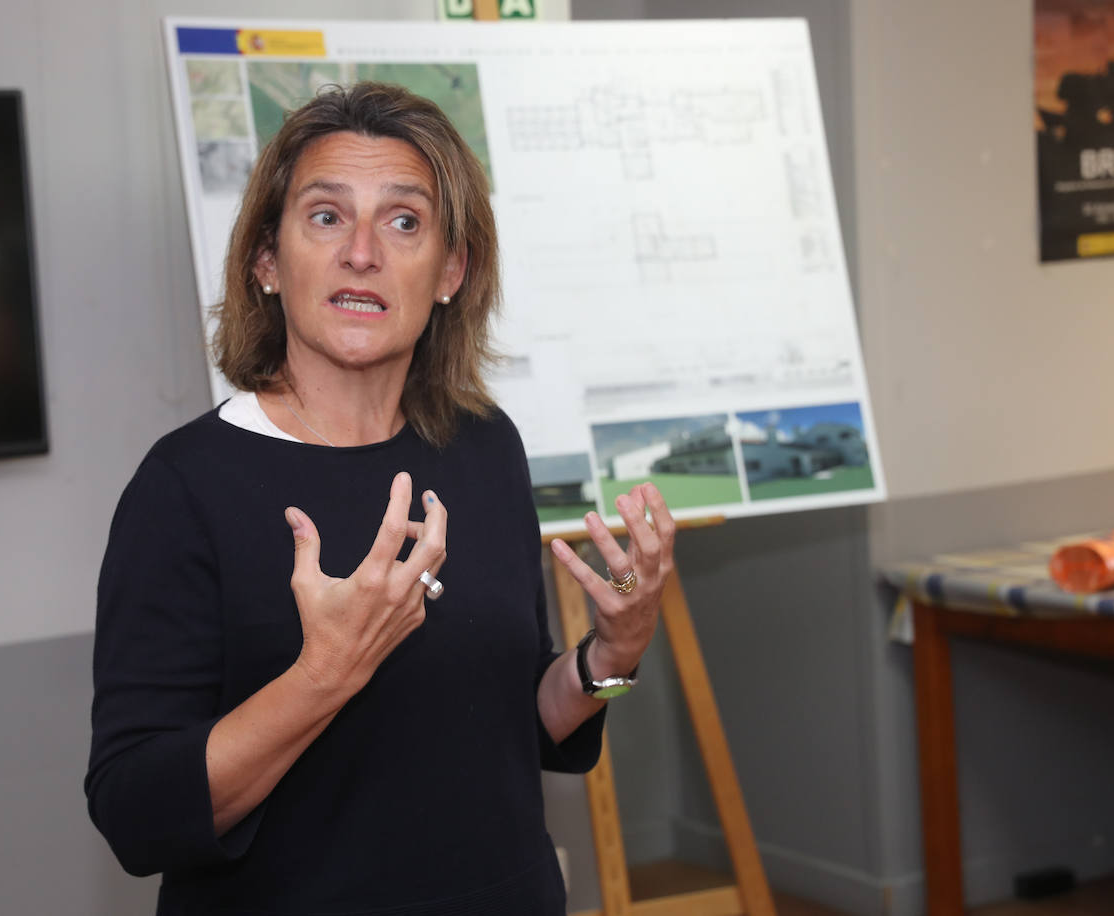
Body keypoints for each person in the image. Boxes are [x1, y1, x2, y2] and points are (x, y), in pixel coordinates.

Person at [85, 81, 677, 915]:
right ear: (266, 261)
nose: (363, 252)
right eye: (326, 216)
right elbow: (137, 817)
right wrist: (326, 673)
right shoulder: (183, 486)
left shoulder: (482, 447)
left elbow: (518, 725)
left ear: (450, 271)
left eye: (405, 222)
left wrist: (612, 661)